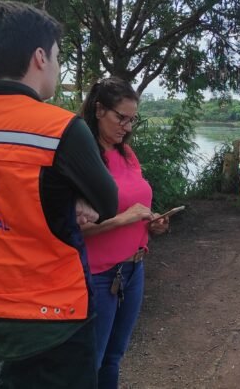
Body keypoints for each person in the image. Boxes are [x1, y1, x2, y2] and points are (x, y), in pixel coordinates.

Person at [0, 1, 118, 389]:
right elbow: (108, 202)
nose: (57, 65)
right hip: (57, 319)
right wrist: (79, 200)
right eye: (56, 56)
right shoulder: (60, 128)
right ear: (38, 57)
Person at [79, 78, 170, 389]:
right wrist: (122, 219)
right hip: (99, 276)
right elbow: (73, 229)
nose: (127, 127)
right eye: (121, 118)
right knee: (91, 361)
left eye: (132, 120)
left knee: (114, 356)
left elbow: (137, 204)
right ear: (99, 109)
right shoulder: (82, 158)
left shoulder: (127, 154)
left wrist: (152, 222)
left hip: (134, 269)